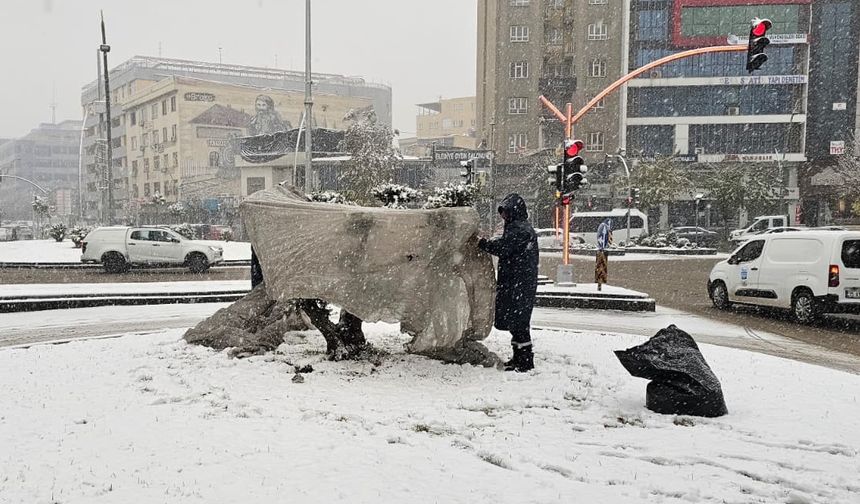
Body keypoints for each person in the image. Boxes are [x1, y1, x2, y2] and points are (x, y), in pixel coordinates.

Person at [478, 193, 539, 372]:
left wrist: (482, 244)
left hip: (518, 283)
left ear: (513, 211)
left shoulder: (519, 229)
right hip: (519, 282)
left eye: (505, 212)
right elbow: (507, 245)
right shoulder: (518, 227)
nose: (502, 216)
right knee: (517, 322)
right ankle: (519, 358)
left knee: (519, 323)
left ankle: (525, 361)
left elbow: (503, 248)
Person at [595, 218, 613, 291]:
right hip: (602, 250)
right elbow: (604, 235)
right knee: (601, 267)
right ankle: (600, 282)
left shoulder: (603, 226)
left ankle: (600, 282)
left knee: (600, 267)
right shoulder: (604, 226)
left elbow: (603, 236)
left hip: (601, 250)